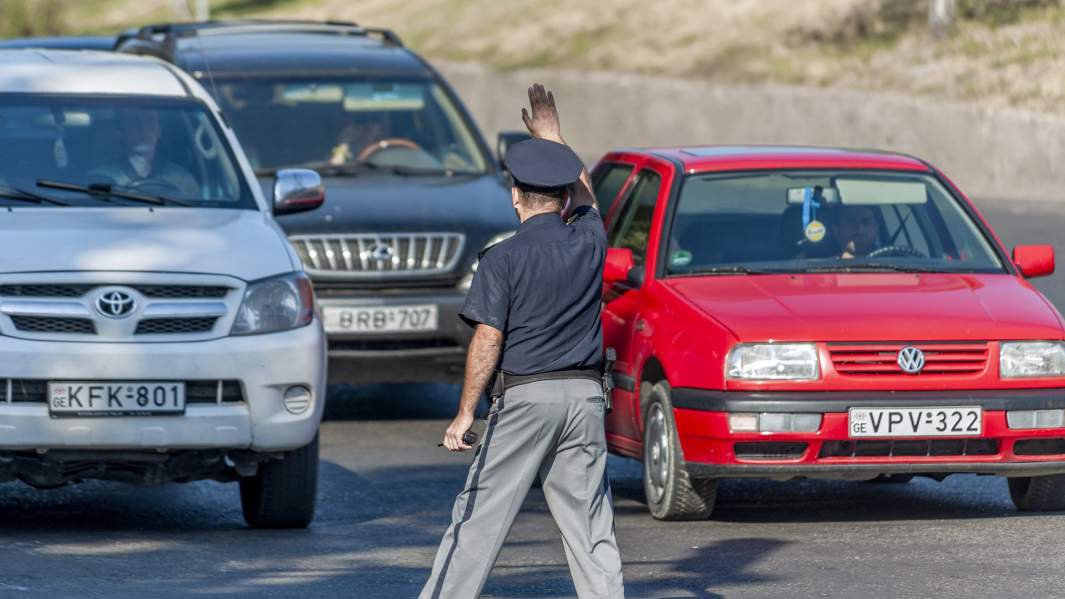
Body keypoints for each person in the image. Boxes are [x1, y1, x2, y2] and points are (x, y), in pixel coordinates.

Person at [420, 84, 625, 599]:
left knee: (478, 520)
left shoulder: (501, 259)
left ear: (515, 197)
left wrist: (464, 413)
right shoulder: (589, 240)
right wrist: (555, 140)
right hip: (585, 400)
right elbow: (587, 195)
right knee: (591, 525)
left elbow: (489, 339)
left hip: (525, 401)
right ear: (562, 199)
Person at [92, 109, 199, 197]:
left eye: (150, 121)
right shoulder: (100, 179)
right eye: (134, 122)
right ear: (120, 132)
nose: (144, 129)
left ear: (159, 131)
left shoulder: (182, 180)